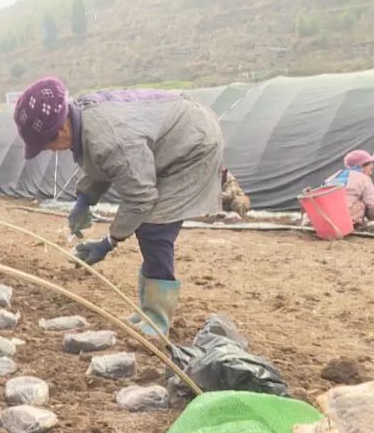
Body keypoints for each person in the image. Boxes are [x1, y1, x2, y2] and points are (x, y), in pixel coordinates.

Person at [14, 77, 223, 337]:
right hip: (175, 133)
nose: (49, 151)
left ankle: (157, 318)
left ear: (62, 130)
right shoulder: (84, 119)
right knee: (147, 228)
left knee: (154, 230)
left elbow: (140, 197)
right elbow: (100, 160)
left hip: (193, 145)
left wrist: (108, 242)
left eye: (47, 144)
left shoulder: (109, 138)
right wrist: (84, 200)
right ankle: (148, 309)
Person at [325, 150, 374, 227]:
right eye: (370, 166)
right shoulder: (364, 179)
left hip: (325, 216)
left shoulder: (333, 177)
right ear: (362, 166)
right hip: (344, 219)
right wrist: (372, 218)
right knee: (362, 204)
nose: (372, 167)